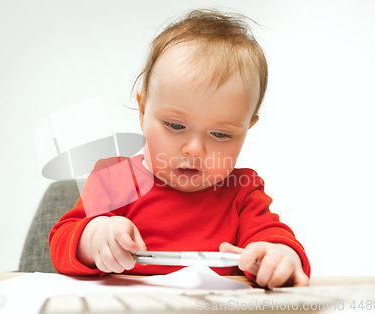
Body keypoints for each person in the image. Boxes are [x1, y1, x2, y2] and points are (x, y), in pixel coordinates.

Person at [49, 9, 310, 289]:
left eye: (221, 133)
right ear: (143, 110)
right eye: (175, 126)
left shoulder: (242, 190)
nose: (194, 149)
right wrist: (94, 237)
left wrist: (280, 256)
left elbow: (273, 236)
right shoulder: (116, 177)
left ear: (247, 128)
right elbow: (62, 241)